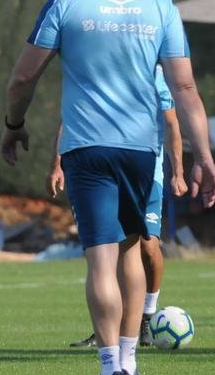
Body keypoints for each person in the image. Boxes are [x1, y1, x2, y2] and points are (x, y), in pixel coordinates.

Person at [2, 0, 215, 375]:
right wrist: (202, 154)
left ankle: (108, 373)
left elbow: (21, 78)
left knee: (100, 258)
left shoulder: (67, 1)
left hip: (87, 147)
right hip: (141, 149)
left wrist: (14, 126)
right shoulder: (160, 6)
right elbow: (184, 86)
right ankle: (131, 367)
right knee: (131, 252)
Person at [53, 67, 188, 348]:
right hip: (103, 174)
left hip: (146, 175)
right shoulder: (94, 67)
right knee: (107, 251)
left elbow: (172, 123)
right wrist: (58, 164)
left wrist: (178, 172)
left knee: (148, 247)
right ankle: (109, 331)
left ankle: (147, 317)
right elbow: (71, 118)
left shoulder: (153, 71)